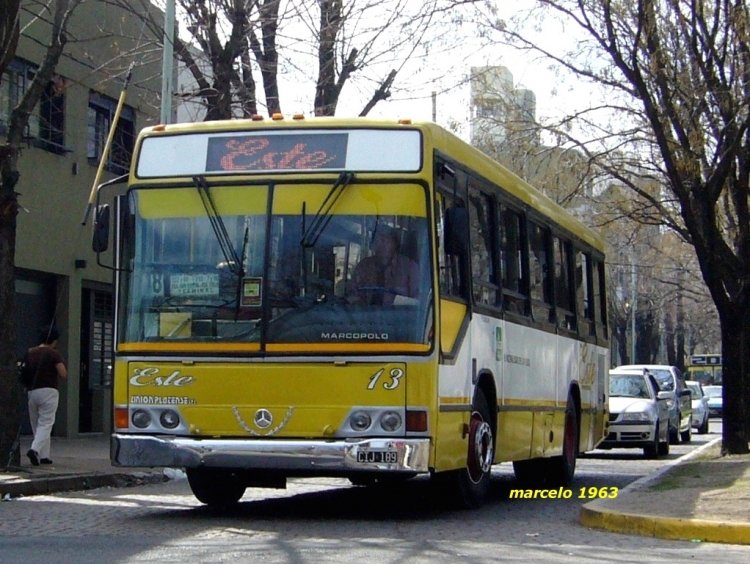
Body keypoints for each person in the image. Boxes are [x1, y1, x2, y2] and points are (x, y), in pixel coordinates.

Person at [25, 326, 67, 466]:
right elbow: (63, 373)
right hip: (49, 391)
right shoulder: (53, 354)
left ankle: (44, 456)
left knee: (36, 424)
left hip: (31, 392)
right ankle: (34, 449)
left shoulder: (30, 353)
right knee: (46, 423)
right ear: (54, 341)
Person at [349, 226, 420, 305]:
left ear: (394, 243)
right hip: (365, 315)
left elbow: (418, 301)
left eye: (385, 240)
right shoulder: (363, 266)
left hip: (399, 316)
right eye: (377, 240)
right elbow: (352, 295)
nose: (381, 244)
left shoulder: (409, 268)